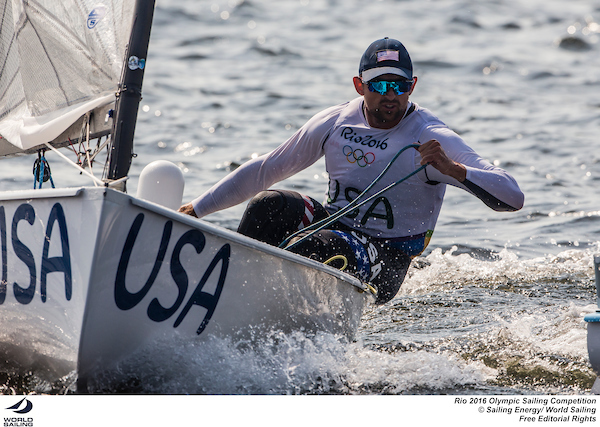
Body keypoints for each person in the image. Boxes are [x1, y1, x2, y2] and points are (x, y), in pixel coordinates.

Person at [178, 37, 524, 304]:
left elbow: (512, 196)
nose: (391, 96)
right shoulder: (335, 122)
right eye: (380, 86)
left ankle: (276, 318)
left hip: (387, 257)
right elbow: (265, 169)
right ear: (360, 86)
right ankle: (232, 297)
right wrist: (196, 209)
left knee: (318, 247)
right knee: (268, 205)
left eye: (399, 86)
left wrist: (456, 170)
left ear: (412, 87)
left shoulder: (430, 136)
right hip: (335, 223)